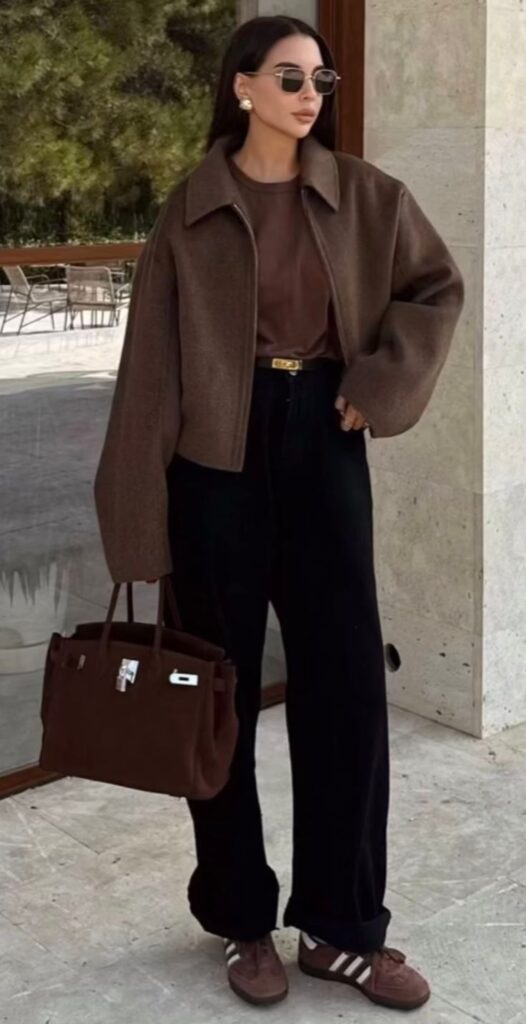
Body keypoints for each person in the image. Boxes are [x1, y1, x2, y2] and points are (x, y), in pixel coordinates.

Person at [94, 13, 464, 1013]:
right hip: (211, 458)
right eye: (291, 77)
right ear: (244, 87)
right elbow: (148, 372)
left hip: (324, 439)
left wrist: (378, 387)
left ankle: (342, 930)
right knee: (215, 694)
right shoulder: (191, 210)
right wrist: (133, 522)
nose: (312, 95)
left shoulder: (367, 198)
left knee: (344, 684)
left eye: (321, 78)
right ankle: (241, 919)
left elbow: (434, 290)